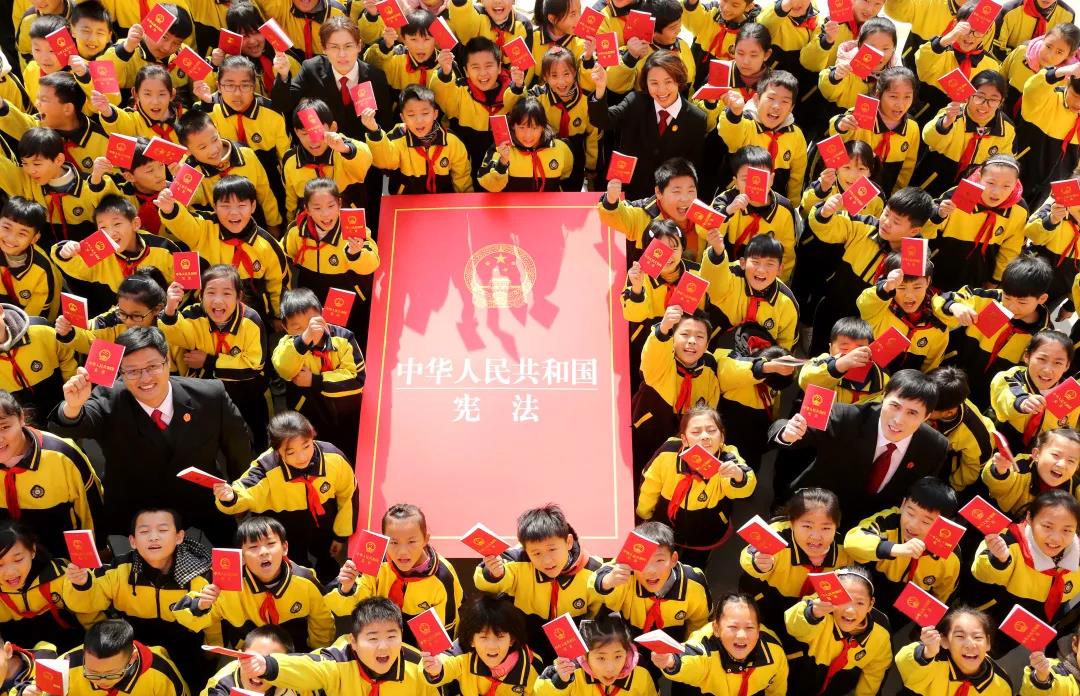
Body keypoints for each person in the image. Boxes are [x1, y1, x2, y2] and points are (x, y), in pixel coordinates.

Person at [48, 327, 252, 543]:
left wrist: (240, 494)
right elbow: (70, 427)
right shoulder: (109, 398)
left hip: (202, 501)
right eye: (132, 371)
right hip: (136, 509)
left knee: (231, 555)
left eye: (152, 366)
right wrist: (73, 407)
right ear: (121, 372)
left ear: (167, 361)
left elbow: (238, 449)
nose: (145, 378)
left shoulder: (210, 395)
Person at [768, 369, 949, 521]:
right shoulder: (847, 418)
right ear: (883, 397)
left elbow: (919, 495)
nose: (898, 420)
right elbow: (786, 426)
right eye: (895, 406)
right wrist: (787, 432)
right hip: (815, 510)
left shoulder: (934, 447)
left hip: (869, 529)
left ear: (927, 416)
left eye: (912, 413)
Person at [61, 508, 216, 683]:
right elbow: (86, 603)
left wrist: (212, 648)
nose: (153, 537)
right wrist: (82, 583)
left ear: (179, 537)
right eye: (144, 531)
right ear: (133, 541)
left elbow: (213, 617)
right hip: (134, 646)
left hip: (186, 647)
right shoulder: (119, 569)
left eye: (163, 530)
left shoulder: (201, 574)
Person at [213, 411, 357, 580]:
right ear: (277, 451)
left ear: (312, 436)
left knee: (326, 557)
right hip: (285, 526)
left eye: (306, 446)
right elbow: (243, 489)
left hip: (324, 522)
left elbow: (348, 495)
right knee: (296, 565)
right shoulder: (266, 468)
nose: (302, 457)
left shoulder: (334, 458)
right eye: (291, 452)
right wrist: (230, 497)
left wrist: (341, 535)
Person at [172, 516, 334, 652]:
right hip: (248, 656)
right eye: (253, 547)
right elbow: (189, 620)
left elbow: (322, 622)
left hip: (297, 653)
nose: (264, 552)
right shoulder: (227, 585)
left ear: (285, 547)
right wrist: (201, 605)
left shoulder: (305, 580)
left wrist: (317, 655)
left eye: (271, 544)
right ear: (241, 556)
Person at [159, 265, 271, 452]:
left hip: (247, 389)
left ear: (238, 296)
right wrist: (170, 310)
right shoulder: (193, 315)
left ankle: (259, 450)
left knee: (256, 425)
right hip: (209, 389)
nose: (218, 301)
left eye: (227, 293)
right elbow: (173, 335)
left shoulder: (251, 321)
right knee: (215, 432)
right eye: (210, 292)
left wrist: (209, 362)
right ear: (201, 295)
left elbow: (253, 366)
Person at [473, 504, 601, 662]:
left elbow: (599, 616)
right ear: (526, 550)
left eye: (552, 550)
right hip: (525, 642)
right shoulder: (515, 561)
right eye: (536, 553)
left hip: (572, 648)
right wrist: (495, 573)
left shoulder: (593, 571)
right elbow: (483, 583)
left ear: (568, 542)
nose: (547, 561)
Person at [236, 597, 439, 696]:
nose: (383, 647)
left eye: (391, 636)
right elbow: (308, 667)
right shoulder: (336, 661)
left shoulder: (419, 667)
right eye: (373, 638)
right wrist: (268, 665)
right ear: (354, 642)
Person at [324, 503, 463, 647]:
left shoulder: (442, 576)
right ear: (384, 539)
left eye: (411, 541)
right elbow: (344, 608)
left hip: (417, 651)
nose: (402, 551)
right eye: (394, 542)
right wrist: (346, 588)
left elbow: (445, 633)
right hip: (376, 642)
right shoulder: (372, 561)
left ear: (425, 539)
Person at [637, 404, 755, 569]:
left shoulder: (728, 458)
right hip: (665, 525)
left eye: (711, 430)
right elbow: (650, 485)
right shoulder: (668, 452)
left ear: (722, 437)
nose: (705, 436)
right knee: (663, 561)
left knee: (695, 564)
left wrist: (738, 475)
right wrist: (644, 514)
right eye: (696, 432)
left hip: (706, 530)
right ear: (684, 439)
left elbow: (744, 488)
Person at [588, 50, 707, 200]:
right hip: (629, 195)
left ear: (679, 80)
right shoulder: (636, 102)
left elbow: (692, 169)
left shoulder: (696, 119)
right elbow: (602, 120)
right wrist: (600, 88)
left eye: (668, 82)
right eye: (654, 83)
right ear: (646, 83)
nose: (661, 90)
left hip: (666, 200)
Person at [737, 487, 851, 637]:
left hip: (813, 609)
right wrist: (757, 563)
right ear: (791, 522)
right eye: (807, 526)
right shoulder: (777, 536)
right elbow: (748, 554)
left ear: (836, 526)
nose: (816, 536)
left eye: (825, 528)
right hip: (770, 597)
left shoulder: (844, 551)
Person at [0, 391, 102, 557]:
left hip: (63, 563)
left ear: (21, 418)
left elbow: (90, 513)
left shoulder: (62, 455)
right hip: (7, 566)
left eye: (4, 427)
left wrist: (90, 562)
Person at [843, 476, 961, 618]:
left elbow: (942, 596)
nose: (913, 525)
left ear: (944, 525)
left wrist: (923, 624)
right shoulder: (887, 521)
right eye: (910, 513)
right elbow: (852, 541)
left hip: (911, 607)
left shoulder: (950, 555)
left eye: (926, 522)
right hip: (869, 589)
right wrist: (896, 549)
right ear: (903, 504)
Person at [272, 288, 365, 458]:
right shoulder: (287, 346)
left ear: (322, 314)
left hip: (346, 414)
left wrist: (315, 381)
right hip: (309, 417)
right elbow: (284, 368)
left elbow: (357, 380)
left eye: (311, 323)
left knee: (350, 452)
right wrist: (303, 340)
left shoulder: (344, 338)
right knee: (318, 455)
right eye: (297, 327)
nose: (309, 331)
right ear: (285, 327)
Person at [969, 490, 1080, 628]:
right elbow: (980, 573)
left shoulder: (1077, 555)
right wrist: (1000, 559)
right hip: (995, 625)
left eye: (1066, 530)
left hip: (1040, 632)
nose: (1056, 538)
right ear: (1029, 518)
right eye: (1047, 527)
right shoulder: (1007, 541)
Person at [591, 521, 711, 643]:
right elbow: (596, 578)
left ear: (673, 559)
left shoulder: (693, 583)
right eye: (643, 561)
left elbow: (699, 627)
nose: (650, 571)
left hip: (675, 648)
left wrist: (683, 652)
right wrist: (607, 582)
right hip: (630, 645)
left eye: (659, 560)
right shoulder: (626, 573)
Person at [782, 566, 892, 696]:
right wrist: (813, 613)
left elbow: (876, 671)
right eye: (843, 600)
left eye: (860, 603)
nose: (850, 611)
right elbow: (794, 625)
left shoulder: (880, 633)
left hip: (839, 683)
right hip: (800, 674)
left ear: (871, 604)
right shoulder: (819, 607)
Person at [653, 594, 787, 696]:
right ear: (716, 629)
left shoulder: (775, 653)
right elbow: (690, 656)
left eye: (749, 627)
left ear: (758, 630)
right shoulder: (705, 648)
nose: (741, 635)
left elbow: (777, 691)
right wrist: (671, 661)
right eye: (733, 627)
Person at [0, 521, 98, 652]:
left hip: (69, 650)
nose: (10, 572)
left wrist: (99, 642)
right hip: (14, 655)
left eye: (18, 560)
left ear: (33, 551)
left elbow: (89, 613)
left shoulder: (60, 575)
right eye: (0, 564)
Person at [419, 594, 543, 696]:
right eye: (484, 637)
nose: (492, 646)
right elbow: (446, 663)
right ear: (471, 640)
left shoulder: (533, 666)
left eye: (500, 637)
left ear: (512, 639)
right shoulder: (463, 658)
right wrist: (435, 669)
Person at [535, 613, 658, 696]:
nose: (610, 668)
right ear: (585, 656)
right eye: (601, 658)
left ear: (627, 652)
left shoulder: (641, 674)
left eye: (618, 656)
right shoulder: (570, 671)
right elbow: (539, 693)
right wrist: (559, 681)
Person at [58, 619, 189, 696]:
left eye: (111, 674)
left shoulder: (161, 674)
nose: (101, 681)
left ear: (132, 657)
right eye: (92, 672)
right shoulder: (65, 666)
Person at [982, 428, 1080, 516]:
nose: (1062, 464)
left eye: (1071, 461)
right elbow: (996, 486)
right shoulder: (1021, 467)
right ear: (1036, 454)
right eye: (1056, 455)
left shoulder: (1075, 489)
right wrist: (1000, 470)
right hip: (1007, 520)